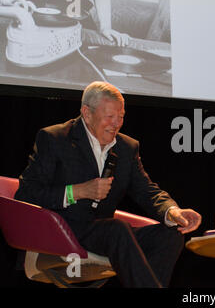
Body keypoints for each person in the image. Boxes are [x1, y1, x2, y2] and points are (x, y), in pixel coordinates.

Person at [14, 81, 202, 287]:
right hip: (62, 230)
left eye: (121, 116)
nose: (116, 123)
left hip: (103, 234)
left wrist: (172, 211)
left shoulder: (126, 148)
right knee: (117, 229)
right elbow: (26, 194)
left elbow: (146, 190)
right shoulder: (55, 139)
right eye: (110, 116)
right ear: (87, 113)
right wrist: (76, 192)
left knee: (170, 236)